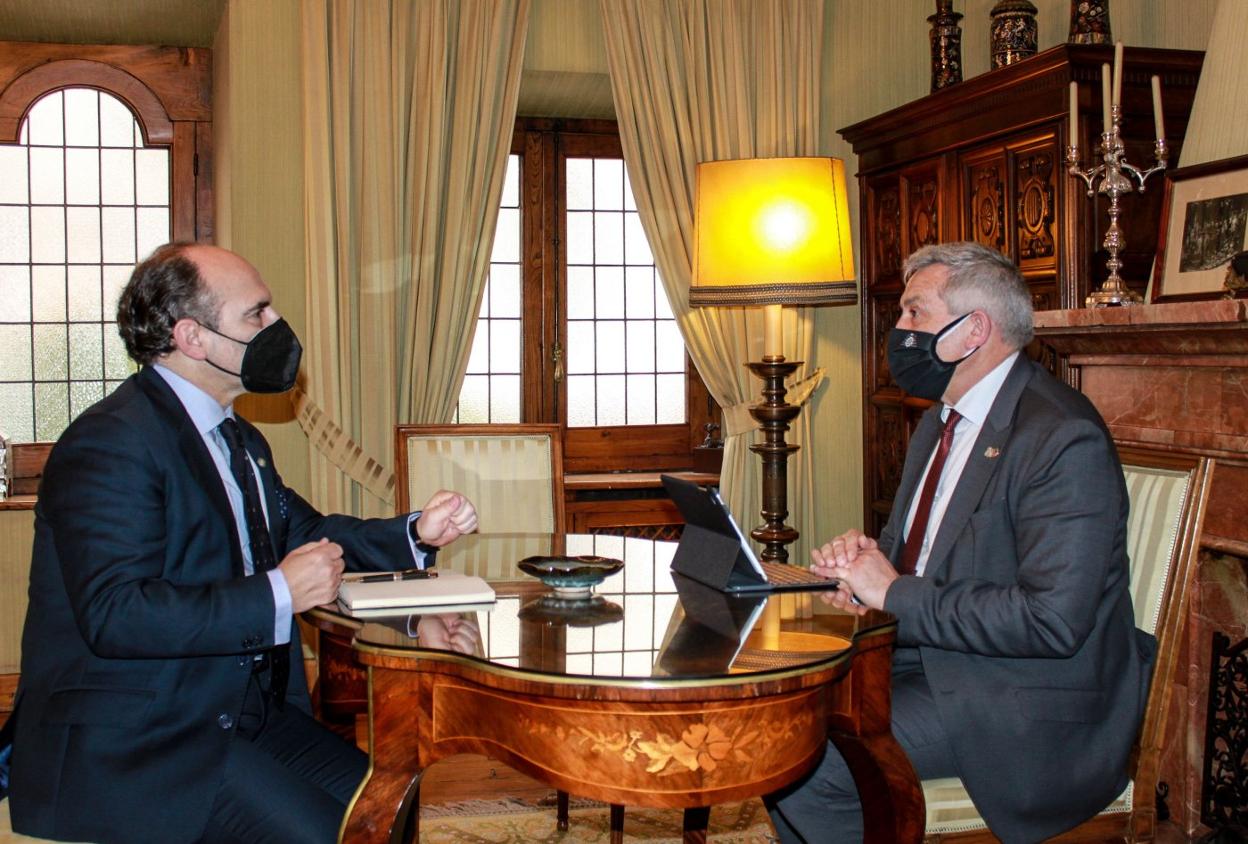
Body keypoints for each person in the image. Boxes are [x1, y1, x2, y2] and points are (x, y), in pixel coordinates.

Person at [6, 243, 479, 844]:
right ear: (192, 337)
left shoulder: (240, 439)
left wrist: (412, 534)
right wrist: (278, 592)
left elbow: (306, 533)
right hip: (141, 742)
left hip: (237, 718)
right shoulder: (109, 444)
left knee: (391, 812)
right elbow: (116, 614)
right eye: (257, 315)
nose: (277, 326)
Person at [767, 242, 1155, 843]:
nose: (898, 330)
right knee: (779, 721)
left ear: (974, 329)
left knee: (811, 763)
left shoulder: (1062, 436)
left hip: (1022, 699)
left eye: (915, 313)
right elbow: (908, 562)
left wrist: (892, 593)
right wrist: (861, 578)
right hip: (930, 662)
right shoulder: (939, 421)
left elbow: (1052, 620)